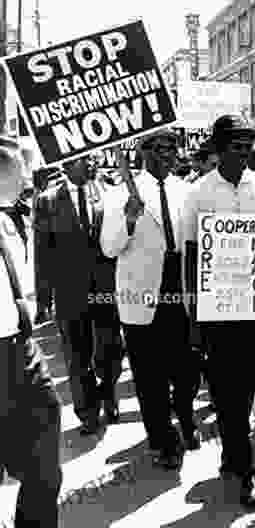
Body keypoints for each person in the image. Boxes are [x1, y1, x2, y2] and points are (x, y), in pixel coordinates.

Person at [182, 115, 255, 510]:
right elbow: (192, 257)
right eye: (236, 146)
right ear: (219, 148)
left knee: (243, 391)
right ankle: (245, 472)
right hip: (217, 311)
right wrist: (193, 316)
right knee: (229, 392)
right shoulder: (198, 193)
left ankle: (233, 454)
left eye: (248, 146)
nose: (244, 154)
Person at [101, 129, 201, 470]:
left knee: (188, 368)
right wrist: (128, 219)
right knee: (149, 375)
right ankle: (162, 440)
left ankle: (185, 416)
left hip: (182, 289)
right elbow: (108, 248)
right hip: (142, 296)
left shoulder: (187, 192)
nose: (167, 155)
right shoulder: (119, 195)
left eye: (172, 148)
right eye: (158, 148)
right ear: (143, 152)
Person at [34, 155, 124, 435]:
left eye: (93, 158)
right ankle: (87, 412)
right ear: (66, 164)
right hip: (69, 290)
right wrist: (43, 297)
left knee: (110, 347)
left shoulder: (107, 192)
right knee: (76, 353)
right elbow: (42, 252)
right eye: (85, 159)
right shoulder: (47, 201)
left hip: (106, 288)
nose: (92, 163)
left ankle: (108, 392)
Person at [0, 146, 62, 528]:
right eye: (22, 172)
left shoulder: (14, 221)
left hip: (23, 350)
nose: (28, 179)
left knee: (45, 457)